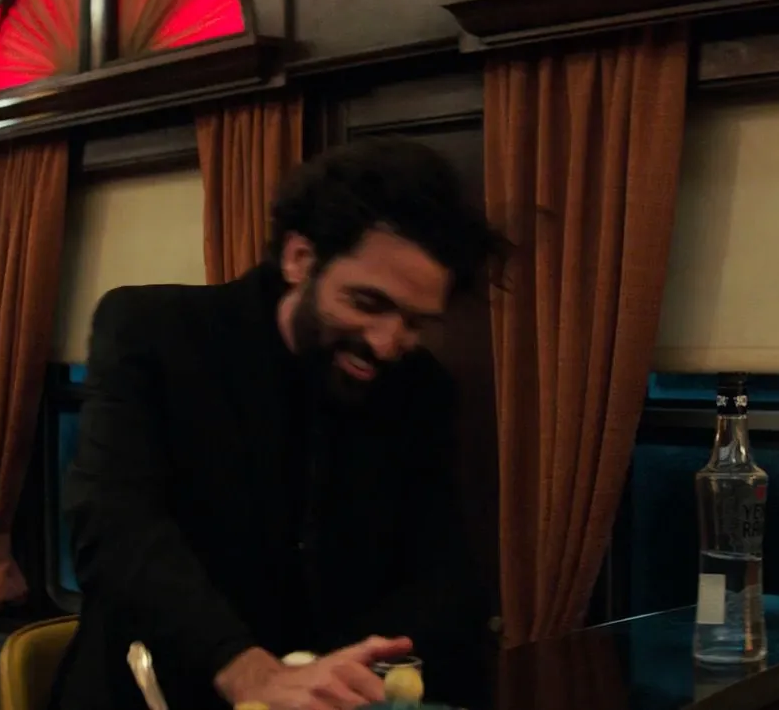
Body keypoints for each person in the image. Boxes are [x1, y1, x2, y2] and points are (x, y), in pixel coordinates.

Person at [54, 137, 509, 710]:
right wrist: (246, 669)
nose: (387, 342)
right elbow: (113, 527)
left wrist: (338, 671)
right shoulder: (155, 331)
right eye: (367, 304)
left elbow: (444, 580)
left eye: (415, 322)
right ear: (299, 258)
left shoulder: (421, 390)